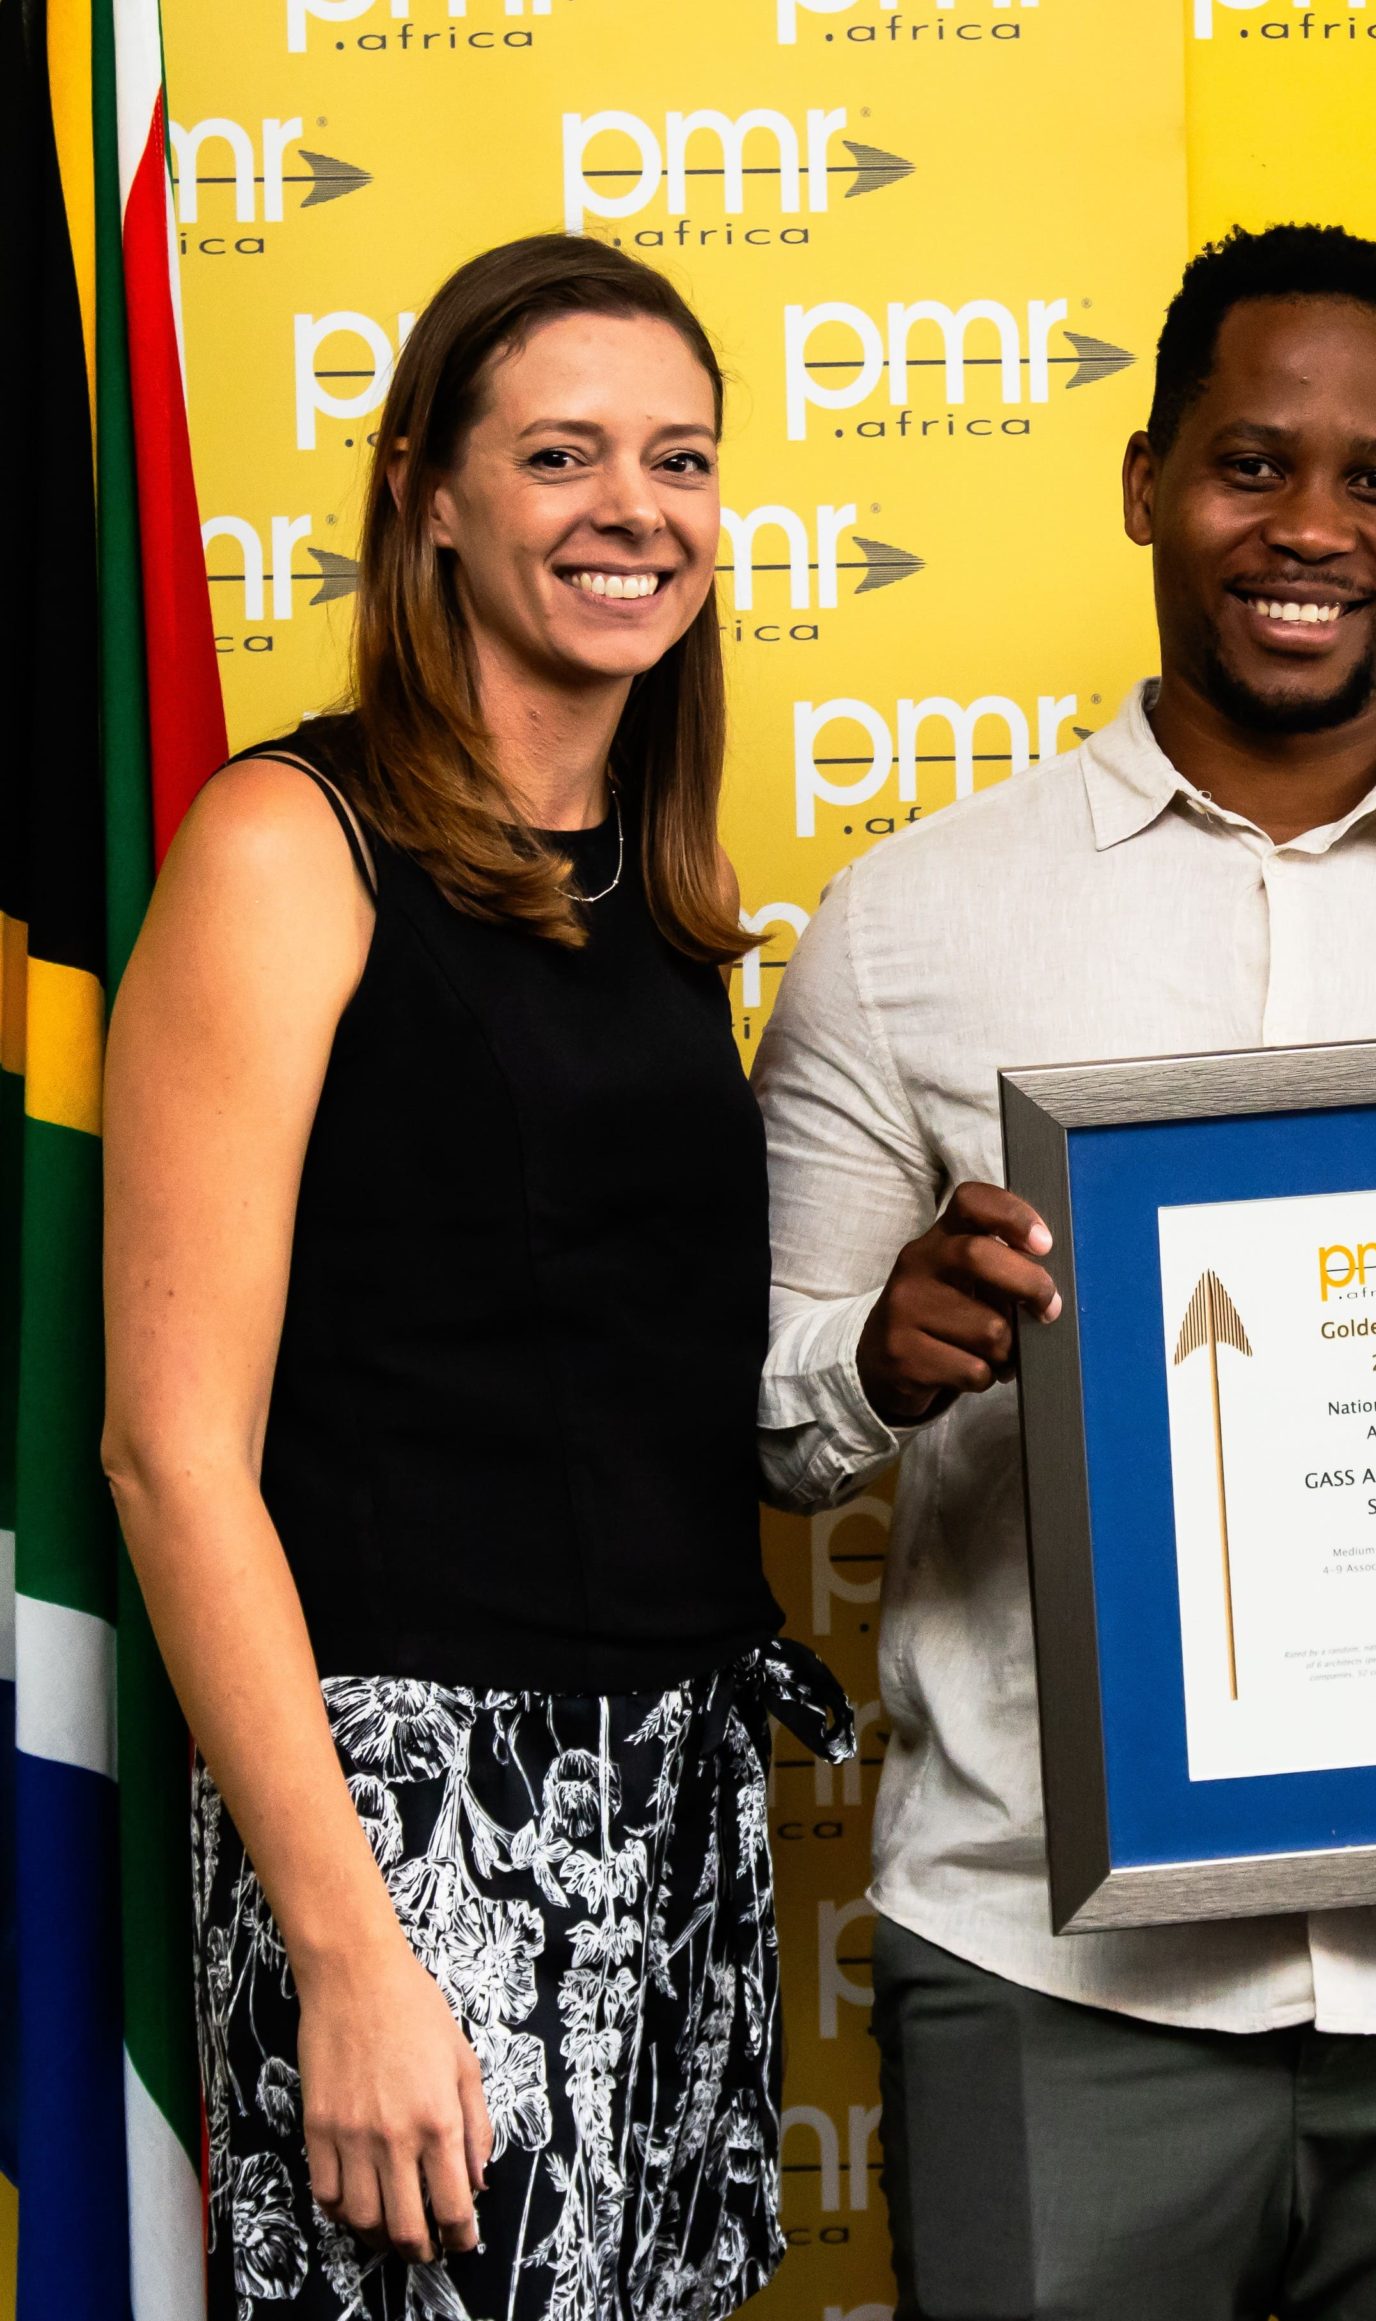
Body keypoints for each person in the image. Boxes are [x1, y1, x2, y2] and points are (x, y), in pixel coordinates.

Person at [752, 223, 1376, 2321]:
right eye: (1250, 464)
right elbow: (772, 1428)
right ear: (1145, 482)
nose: (1311, 528)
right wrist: (879, 1354)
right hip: (1050, 1976)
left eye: (1375, 479)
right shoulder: (912, 925)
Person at [102, 235, 852, 2321]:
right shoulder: (291, 846)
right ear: (428, 494)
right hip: (413, 1829)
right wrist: (346, 1943)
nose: (636, 507)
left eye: (680, 458)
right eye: (561, 454)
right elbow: (171, 1452)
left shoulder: (662, 886)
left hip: (678, 1800)